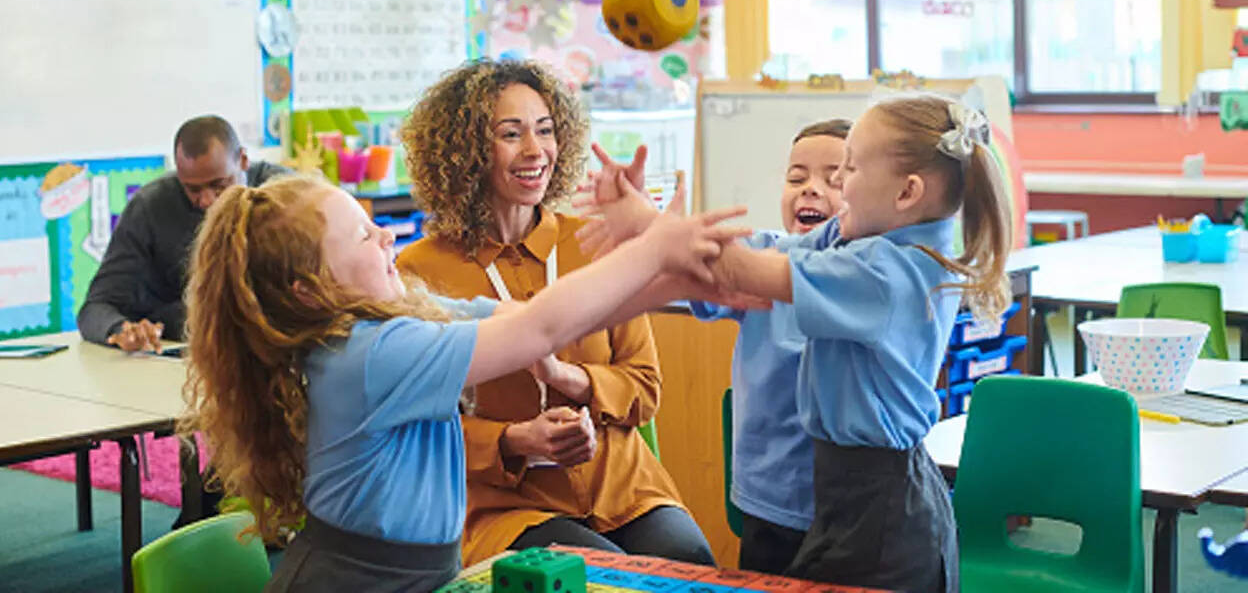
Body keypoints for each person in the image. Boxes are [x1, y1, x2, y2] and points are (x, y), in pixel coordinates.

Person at [179, 175, 743, 592]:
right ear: (311, 290)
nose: (385, 236)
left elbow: (531, 316)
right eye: (362, 236)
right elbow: (539, 327)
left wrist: (674, 281)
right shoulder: (370, 354)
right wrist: (650, 251)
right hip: (355, 580)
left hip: (415, 573)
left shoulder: (392, 321)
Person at [581, 94, 1012, 593]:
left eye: (848, 169)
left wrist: (649, 226)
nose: (837, 184)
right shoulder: (859, 246)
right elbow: (759, 254)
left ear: (906, 193)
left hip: (882, 511)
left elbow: (744, 269)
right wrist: (650, 244)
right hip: (849, 498)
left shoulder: (887, 272)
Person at [395, 59, 716, 566]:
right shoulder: (419, 270)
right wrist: (514, 440)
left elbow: (644, 387)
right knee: (591, 575)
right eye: (511, 134)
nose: (535, 150)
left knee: (691, 561)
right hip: (506, 504)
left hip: (621, 487)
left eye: (545, 130)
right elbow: (413, 424)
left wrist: (570, 379)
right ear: (465, 151)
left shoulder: (594, 241)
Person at [688, 119, 849, 575]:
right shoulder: (762, 254)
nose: (810, 189)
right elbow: (701, 270)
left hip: (846, 503)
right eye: (796, 178)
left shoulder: (865, 272)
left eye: (835, 180)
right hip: (770, 497)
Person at [77, 115, 287, 351]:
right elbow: (96, 308)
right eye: (193, 189)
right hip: (180, 350)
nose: (207, 201)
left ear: (243, 160)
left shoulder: (285, 198)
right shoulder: (150, 207)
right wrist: (122, 330)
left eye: (219, 185)